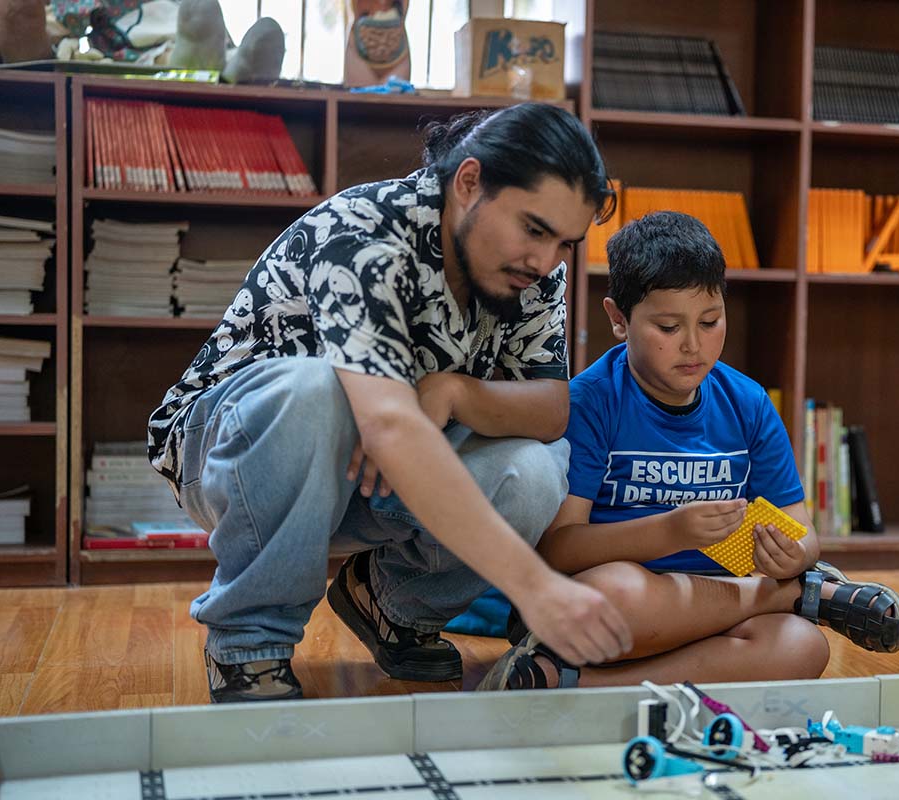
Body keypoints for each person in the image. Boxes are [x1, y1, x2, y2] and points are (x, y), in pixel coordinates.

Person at [147, 102, 633, 703]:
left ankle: (390, 603)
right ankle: (249, 644)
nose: (545, 261)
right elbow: (387, 422)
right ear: (470, 181)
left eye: (565, 243)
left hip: (369, 475)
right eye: (533, 230)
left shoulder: (536, 270)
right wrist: (535, 586)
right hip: (230, 457)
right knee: (316, 390)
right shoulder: (367, 229)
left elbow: (551, 408)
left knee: (537, 468)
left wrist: (455, 392)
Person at [480, 211, 899, 691]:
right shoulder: (590, 402)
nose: (693, 346)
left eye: (710, 321)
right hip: (616, 612)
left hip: (713, 613)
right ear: (618, 319)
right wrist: (670, 532)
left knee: (802, 646)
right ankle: (795, 598)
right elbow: (558, 550)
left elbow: (802, 533)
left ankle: (579, 687)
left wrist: (792, 556)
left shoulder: (747, 402)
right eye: (667, 327)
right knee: (617, 592)